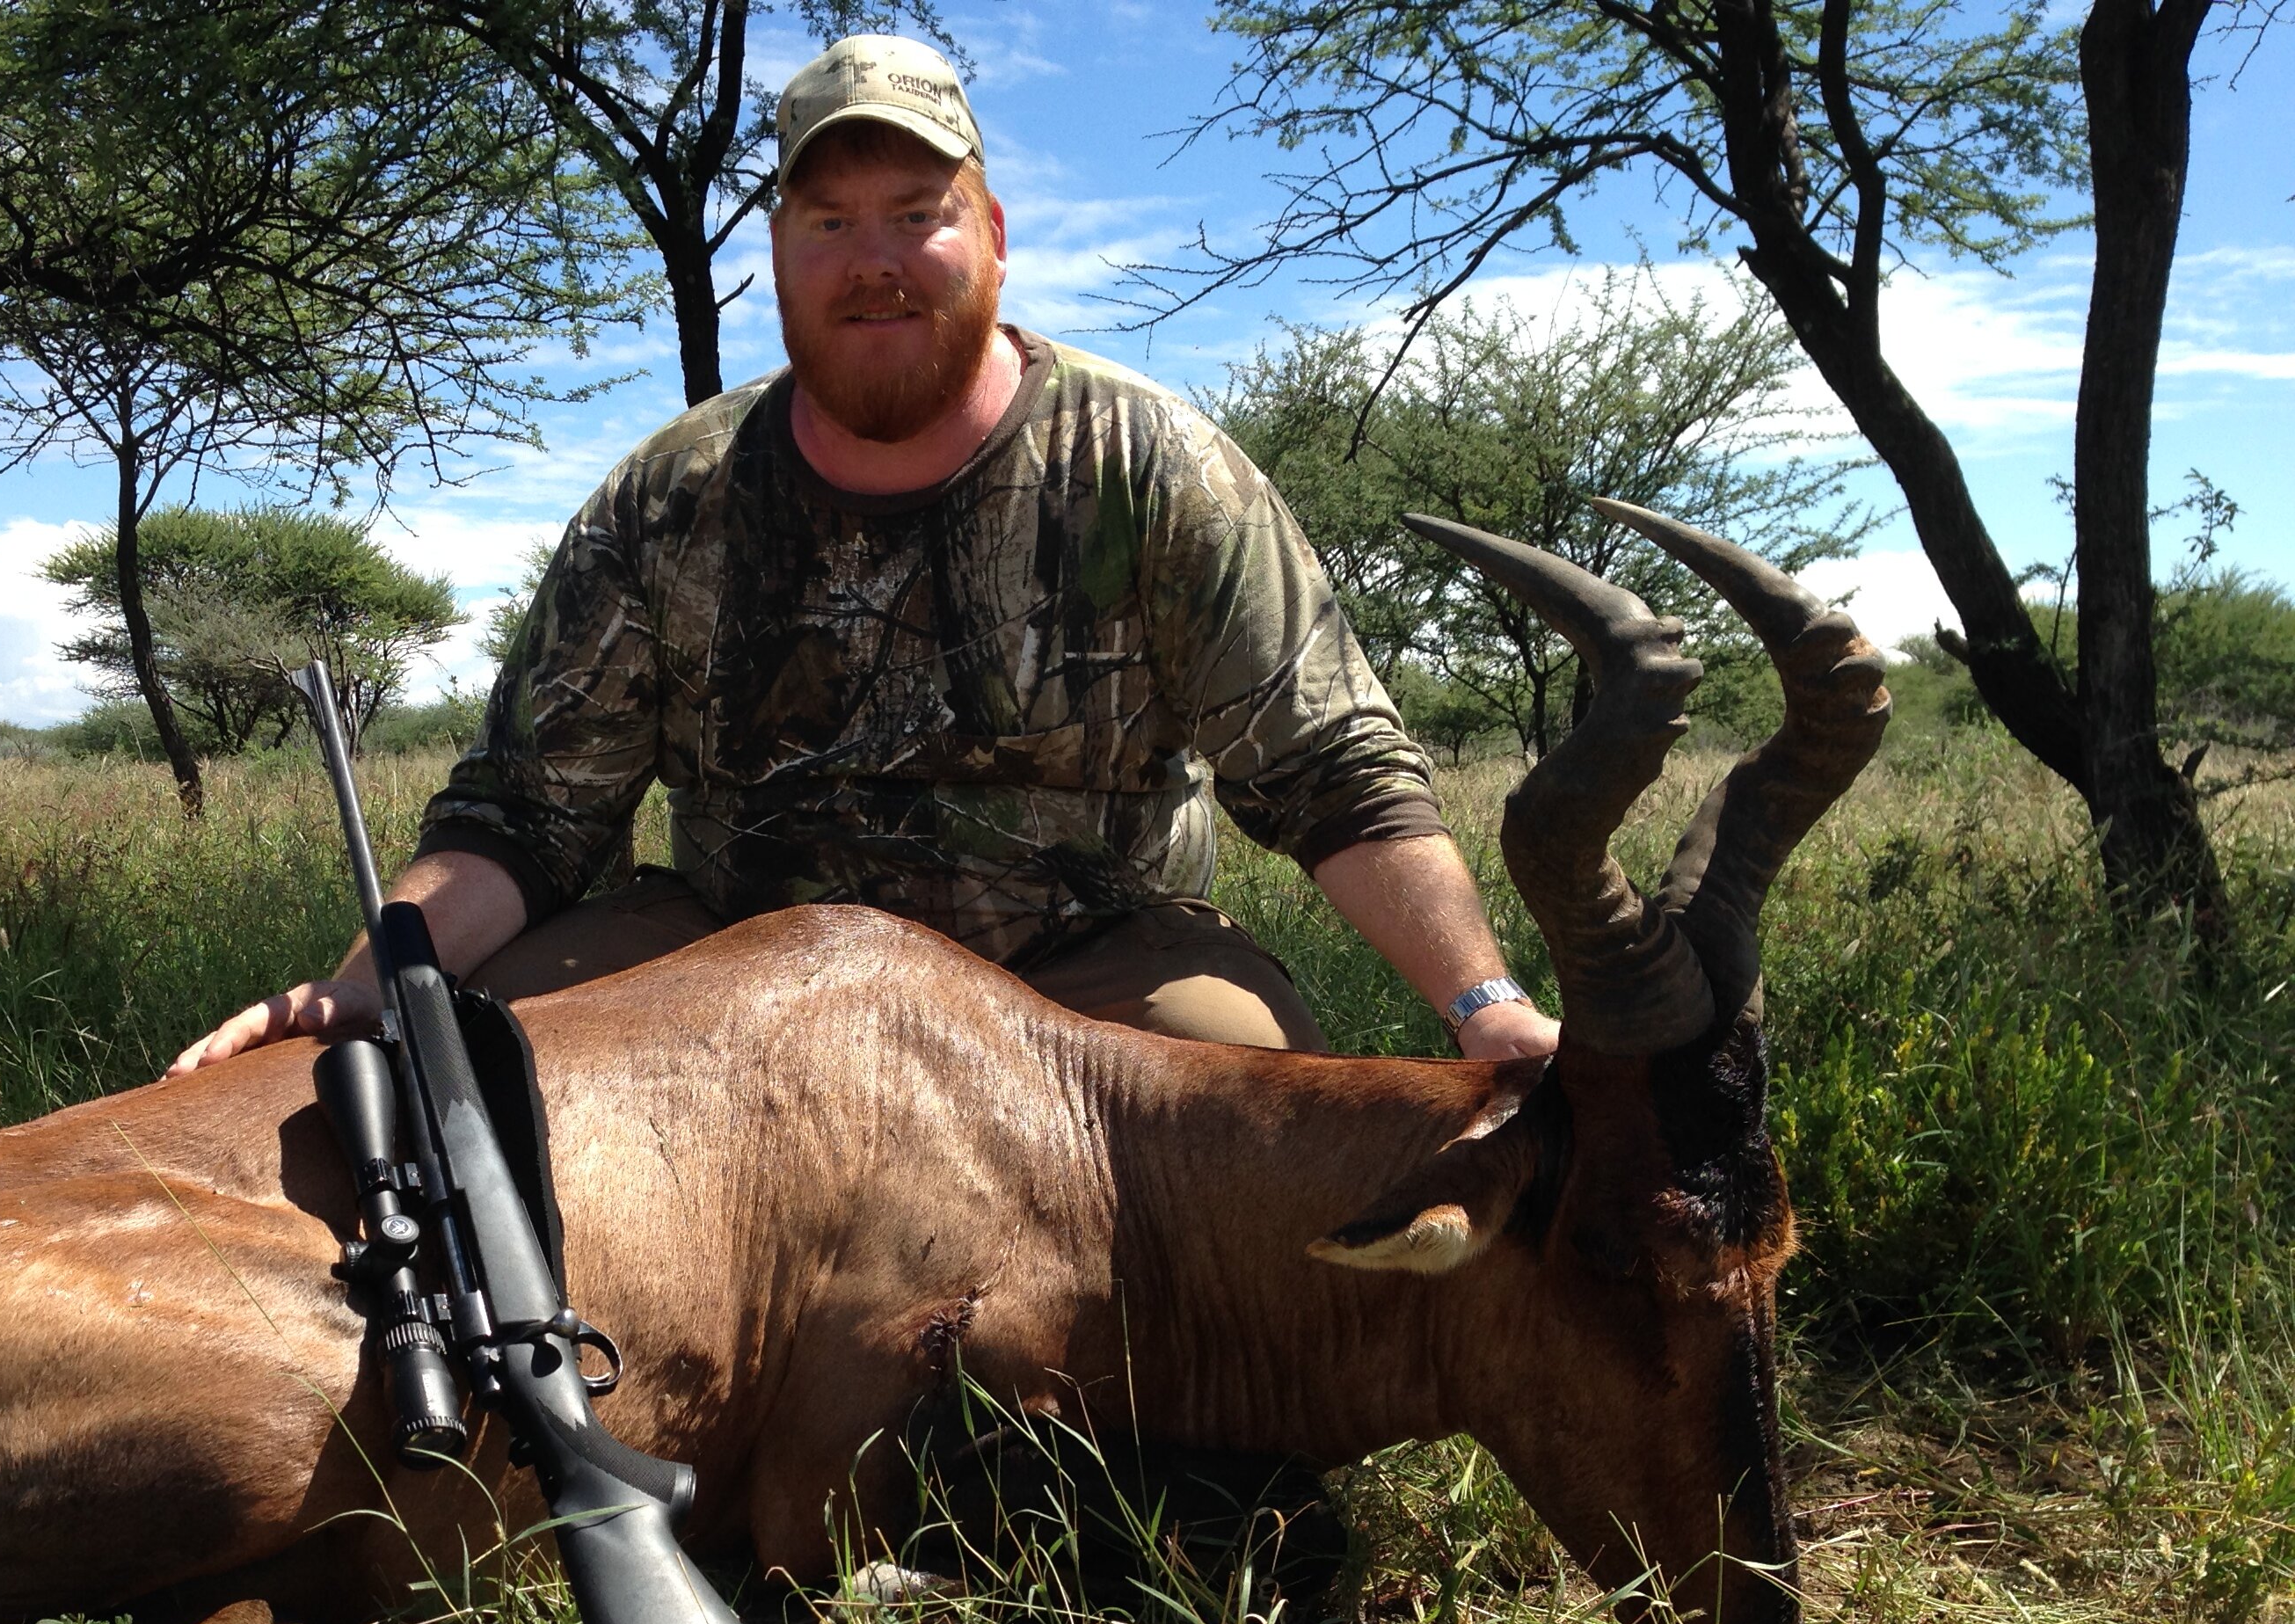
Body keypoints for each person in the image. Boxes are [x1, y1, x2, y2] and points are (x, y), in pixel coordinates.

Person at [167, 34, 1558, 1077]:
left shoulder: (1148, 465)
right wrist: (361, 988)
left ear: (994, 238)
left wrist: (1485, 1010)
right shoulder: (671, 495)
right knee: (436, 1078)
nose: (873, 259)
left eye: (917, 213)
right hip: (729, 944)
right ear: (777, 253)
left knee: (1256, 1119)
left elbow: (1336, 780)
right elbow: (525, 818)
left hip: (1086, 955)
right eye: (830, 223)